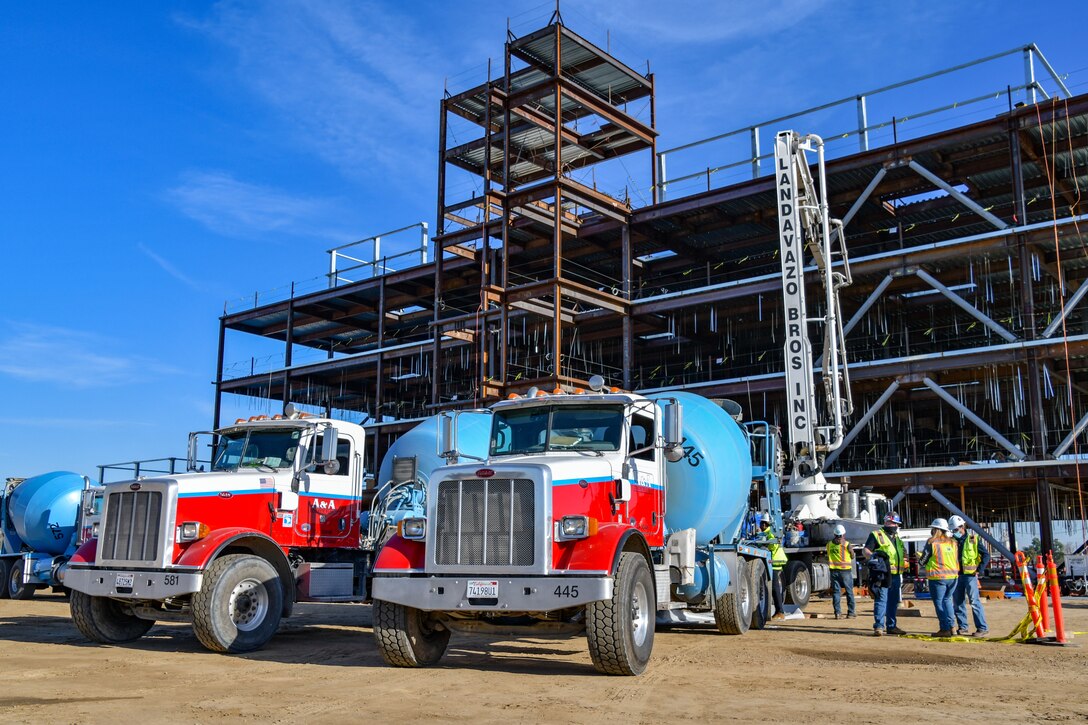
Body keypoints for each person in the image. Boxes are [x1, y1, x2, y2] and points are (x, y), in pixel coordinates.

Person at [863, 512, 908, 636]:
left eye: (895, 524)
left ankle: (891, 626)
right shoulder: (876, 535)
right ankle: (879, 626)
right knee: (881, 599)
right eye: (892, 523)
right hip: (882, 574)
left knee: (893, 602)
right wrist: (874, 557)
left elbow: (903, 553)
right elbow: (866, 550)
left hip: (896, 575)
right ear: (886, 522)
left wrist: (905, 560)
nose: (894, 525)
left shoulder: (897, 538)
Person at [949, 515, 990, 636]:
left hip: (970, 575)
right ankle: (963, 627)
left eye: (956, 530)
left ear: (962, 527)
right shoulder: (951, 541)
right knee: (958, 602)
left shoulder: (973, 539)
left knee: (974, 602)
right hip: (956, 575)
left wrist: (979, 570)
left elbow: (986, 555)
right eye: (953, 531)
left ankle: (982, 628)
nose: (954, 532)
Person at [919, 517, 960, 637]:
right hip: (953, 577)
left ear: (935, 529)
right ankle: (952, 627)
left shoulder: (932, 542)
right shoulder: (953, 543)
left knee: (939, 603)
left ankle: (944, 628)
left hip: (938, 577)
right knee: (947, 601)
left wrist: (919, 559)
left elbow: (923, 561)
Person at [756, 514, 788, 620]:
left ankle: (780, 611)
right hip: (775, 560)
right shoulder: (770, 531)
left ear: (764, 524)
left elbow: (773, 545)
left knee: (775, 588)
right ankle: (779, 611)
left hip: (774, 561)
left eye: (761, 523)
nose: (760, 525)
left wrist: (764, 545)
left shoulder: (769, 533)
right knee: (775, 588)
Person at [827, 524, 856, 619]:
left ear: (834, 534)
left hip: (834, 571)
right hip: (845, 571)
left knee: (836, 592)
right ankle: (851, 613)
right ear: (843, 534)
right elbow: (852, 556)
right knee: (849, 592)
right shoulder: (847, 544)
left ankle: (838, 613)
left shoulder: (829, 544)